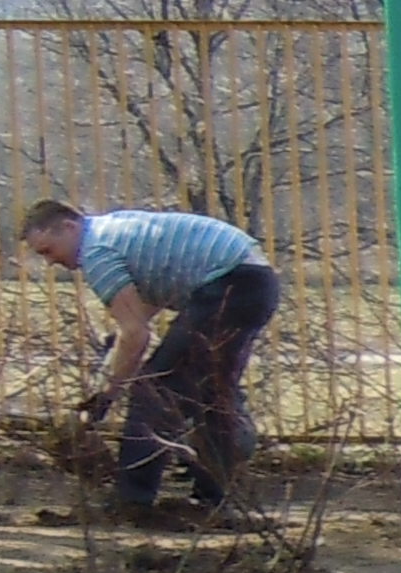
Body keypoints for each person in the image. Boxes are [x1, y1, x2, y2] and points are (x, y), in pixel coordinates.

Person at [20, 198, 282, 520]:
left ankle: (132, 500)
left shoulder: (96, 251)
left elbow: (135, 335)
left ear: (69, 227)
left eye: (48, 250)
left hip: (229, 283)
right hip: (254, 282)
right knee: (209, 395)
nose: (50, 262)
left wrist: (102, 399)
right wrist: (112, 366)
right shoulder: (116, 230)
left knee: (154, 392)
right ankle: (215, 501)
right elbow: (139, 317)